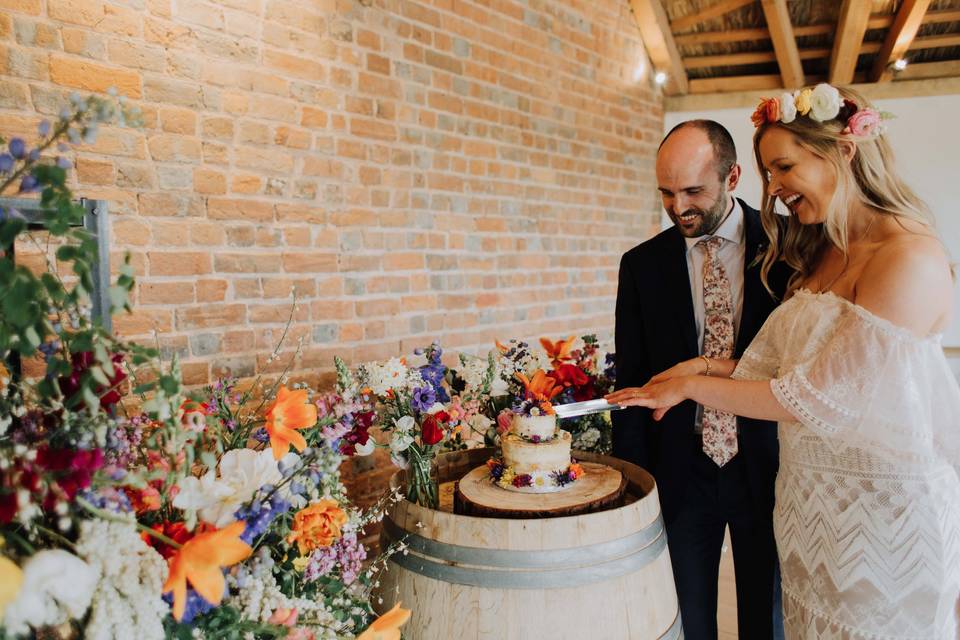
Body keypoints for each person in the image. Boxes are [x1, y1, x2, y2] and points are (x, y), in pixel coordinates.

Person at [608, 85, 960, 639]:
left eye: (783, 167)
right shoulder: (814, 249)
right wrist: (640, 470)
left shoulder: (805, 241)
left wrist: (693, 384)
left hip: (851, 499)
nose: (679, 206)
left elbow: (809, 394)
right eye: (666, 192)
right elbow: (760, 365)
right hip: (752, 488)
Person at [611, 119, 789, 639]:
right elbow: (636, 380)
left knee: (768, 617)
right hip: (681, 466)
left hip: (770, 461)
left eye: (693, 190)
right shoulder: (640, 266)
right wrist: (636, 483)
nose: (677, 206)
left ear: (733, 177)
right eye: (666, 192)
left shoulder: (789, 247)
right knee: (688, 617)